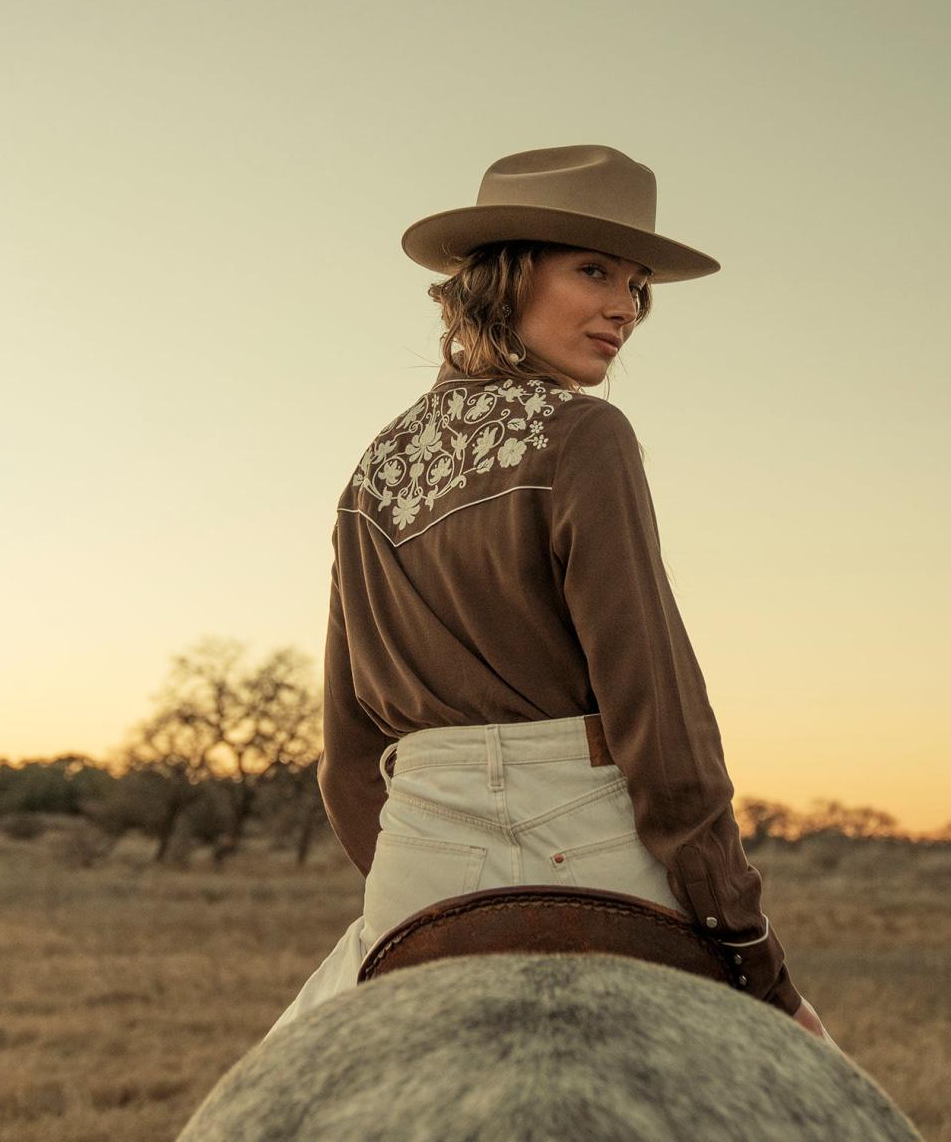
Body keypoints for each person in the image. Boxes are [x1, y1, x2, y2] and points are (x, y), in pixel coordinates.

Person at [266, 144, 835, 1048]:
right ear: (506, 274)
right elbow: (660, 721)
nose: (626, 308)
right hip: (589, 837)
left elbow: (346, 761)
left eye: (638, 286)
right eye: (595, 270)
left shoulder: (371, 475)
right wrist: (752, 953)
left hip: (418, 857)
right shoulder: (585, 435)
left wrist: (419, 876)